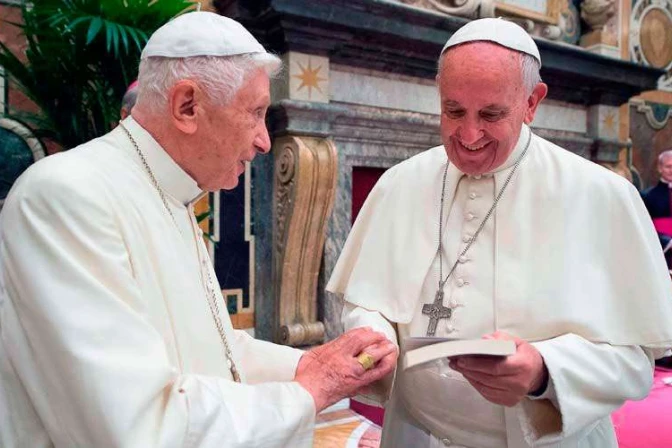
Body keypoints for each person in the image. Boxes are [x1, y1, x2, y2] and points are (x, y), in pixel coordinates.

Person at [0, 12, 397, 448]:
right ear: (187, 106)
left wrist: (310, 365)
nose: (265, 141)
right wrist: (313, 389)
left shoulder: (172, 194)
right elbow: (136, 425)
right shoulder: (65, 196)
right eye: (257, 113)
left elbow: (216, 352)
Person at [327, 18, 672, 448]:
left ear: (532, 102)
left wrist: (544, 371)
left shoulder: (601, 195)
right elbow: (367, 301)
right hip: (416, 434)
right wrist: (373, 335)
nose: (468, 135)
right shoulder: (400, 183)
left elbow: (635, 361)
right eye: (454, 111)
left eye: (491, 114)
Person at [641, 149, 672, 266]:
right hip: (660, 250)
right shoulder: (647, 196)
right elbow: (645, 226)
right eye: (668, 166)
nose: (671, 170)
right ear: (660, 168)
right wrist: (667, 242)